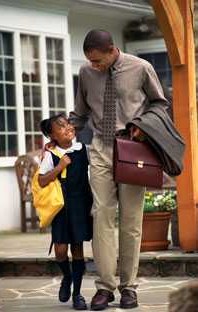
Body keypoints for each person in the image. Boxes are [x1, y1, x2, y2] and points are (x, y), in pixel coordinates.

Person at [69, 29, 169, 310]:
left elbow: (160, 104)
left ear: (112, 50)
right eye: (91, 61)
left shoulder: (141, 68)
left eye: (99, 61)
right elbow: (80, 113)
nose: (95, 66)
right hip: (101, 148)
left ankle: (129, 287)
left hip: (133, 150)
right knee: (101, 215)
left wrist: (143, 127)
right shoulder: (87, 73)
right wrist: (59, 137)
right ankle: (105, 287)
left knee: (131, 220)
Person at [38, 114, 93, 310]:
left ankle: (77, 294)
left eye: (67, 123)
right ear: (52, 137)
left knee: (77, 249)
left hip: (80, 205)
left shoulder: (83, 149)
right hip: (61, 207)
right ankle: (67, 276)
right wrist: (60, 166)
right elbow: (41, 180)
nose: (67, 127)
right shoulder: (51, 155)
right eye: (60, 127)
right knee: (60, 251)